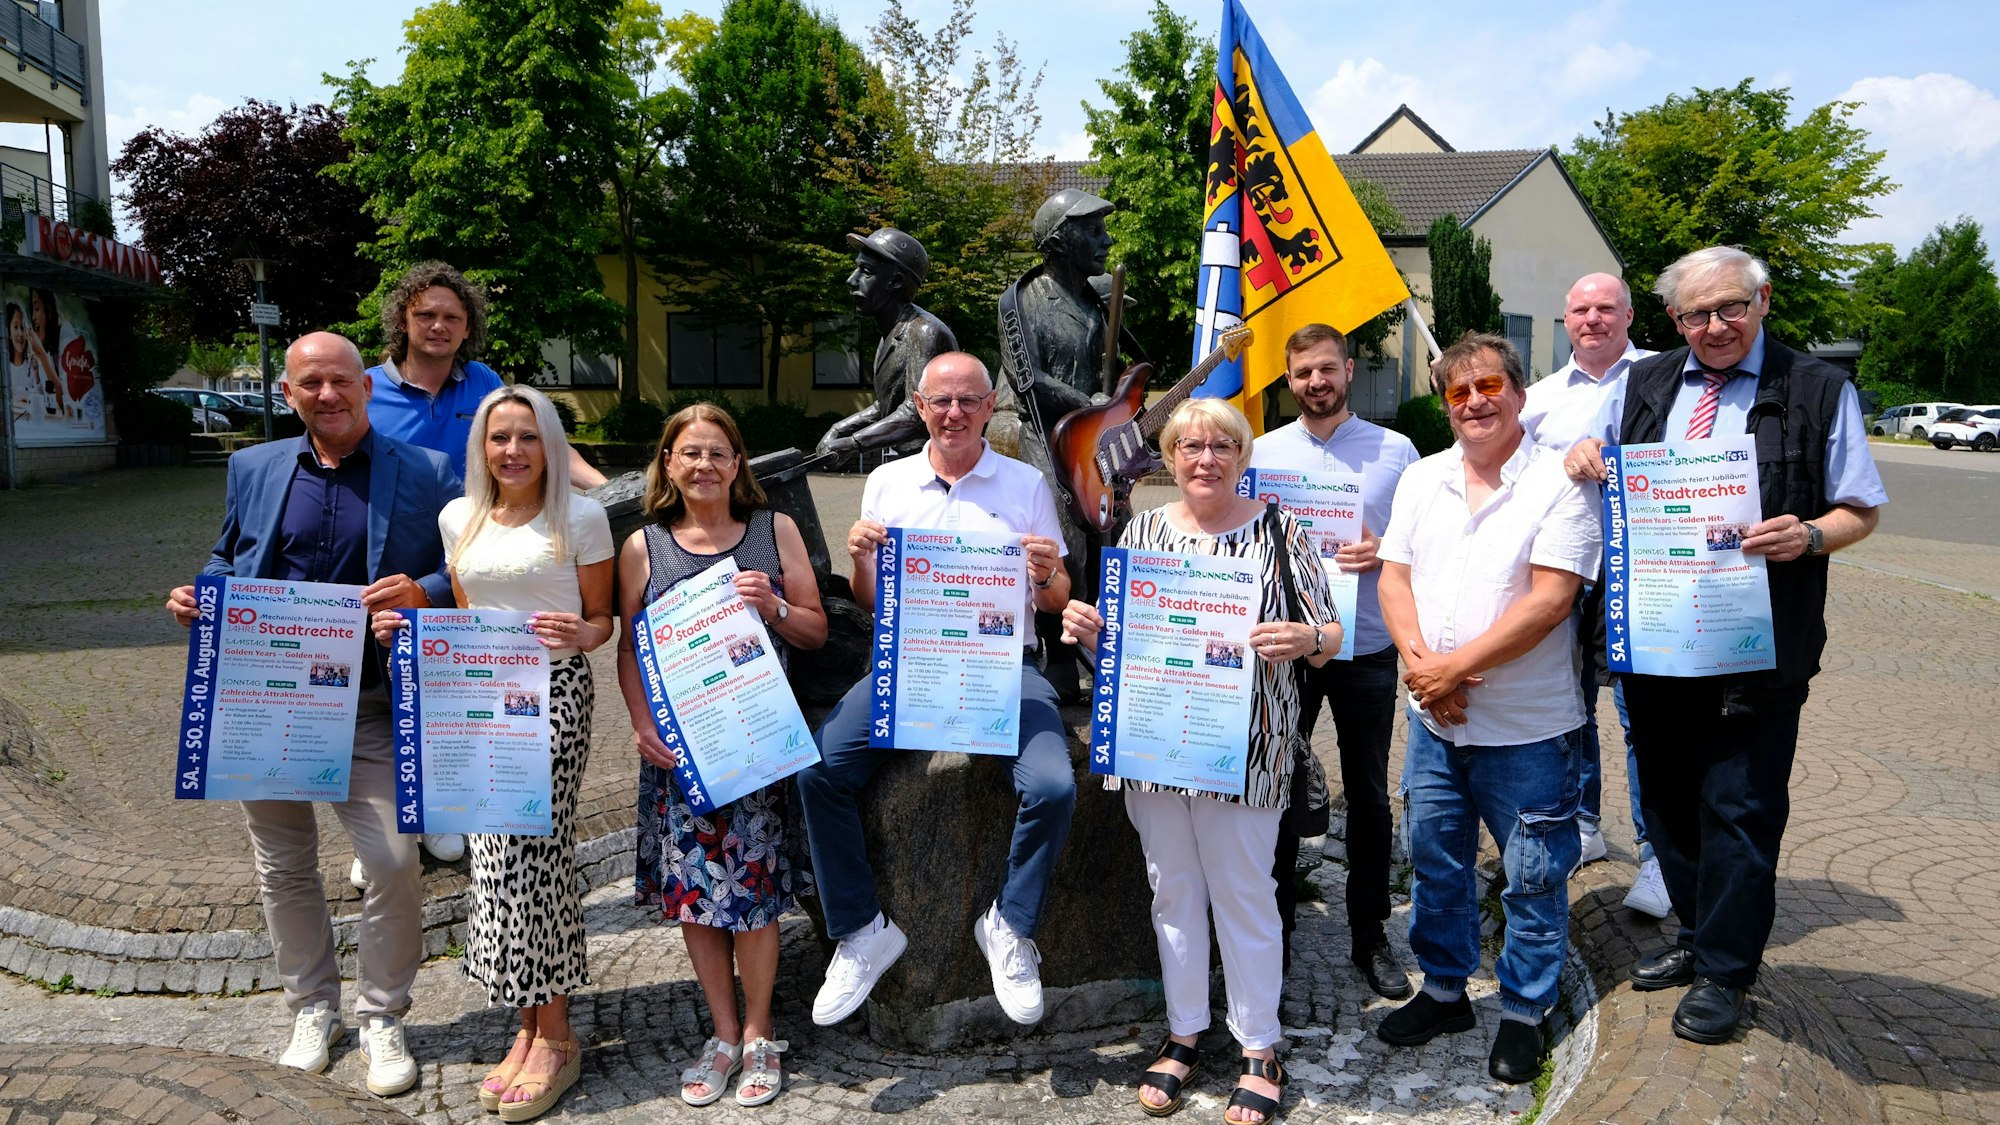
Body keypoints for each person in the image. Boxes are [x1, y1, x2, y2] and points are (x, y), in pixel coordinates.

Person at [1563, 246, 1886, 1044]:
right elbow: (1599, 456)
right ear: (1673, 320)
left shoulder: (1816, 388)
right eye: (1695, 314)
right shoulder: (1648, 381)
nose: (1714, 326)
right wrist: (1583, 455)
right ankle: (1695, 938)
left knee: (1739, 808)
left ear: (1763, 300)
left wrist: (1811, 533)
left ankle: (1726, 975)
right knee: (1669, 804)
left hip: (1758, 644)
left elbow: (1862, 507)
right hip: (1661, 636)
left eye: (1729, 308)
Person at [165, 332, 457, 1096]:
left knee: (394, 859)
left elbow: (464, 565)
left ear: (364, 385)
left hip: (368, 701)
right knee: (283, 864)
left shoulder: (426, 470)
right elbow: (231, 557)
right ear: (289, 393)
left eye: (339, 381)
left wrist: (423, 587)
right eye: (309, 384)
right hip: (266, 701)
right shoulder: (253, 467)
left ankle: (383, 1014)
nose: (326, 395)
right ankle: (312, 1007)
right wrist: (200, 593)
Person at [1061, 398, 1341, 1124]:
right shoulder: (1146, 528)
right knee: (1172, 891)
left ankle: (1258, 1045)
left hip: (1245, 749)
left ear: (1242, 455)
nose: (1206, 458)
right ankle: (1184, 1030)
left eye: (1221, 445)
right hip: (1156, 745)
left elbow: (1333, 632)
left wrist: (1303, 636)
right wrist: (1089, 624)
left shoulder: (1281, 528)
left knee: (1245, 894)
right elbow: (1123, 640)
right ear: (1170, 457)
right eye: (1190, 446)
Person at [797, 351, 1074, 1030]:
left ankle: (1008, 924)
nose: (953, 413)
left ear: (988, 408)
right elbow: (868, 599)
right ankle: (863, 928)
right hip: (911, 667)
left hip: (1002, 668)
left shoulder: (1025, 483)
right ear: (919, 406)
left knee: (1054, 785)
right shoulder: (888, 482)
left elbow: (1059, 596)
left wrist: (1043, 572)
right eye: (940, 400)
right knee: (817, 771)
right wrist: (862, 559)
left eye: (968, 400)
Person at [371, 385, 614, 1120]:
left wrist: (585, 633)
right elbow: (464, 609)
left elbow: (603, 618)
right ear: (482, 446)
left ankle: (558, 1035)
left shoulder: (581, 515)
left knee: (531, 855)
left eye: (528, 437)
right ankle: (528, 1024)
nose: (513, 451)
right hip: (481, 693)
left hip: (555, 693)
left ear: (550, 443)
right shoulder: (458, 516)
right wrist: (408, 631)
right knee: (493, 856)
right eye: (499, 437)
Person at [1374, 333, 1600, 1084]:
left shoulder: (1560, 483)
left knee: (1532, 875)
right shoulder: (1422, 477)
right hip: (1435, 721)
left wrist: (1454, 669)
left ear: (1519, 393)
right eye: (1459, 392)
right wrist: (1422, 666)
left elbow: (1550, 600)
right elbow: (1394, 578)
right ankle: (1444, 990)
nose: (1475, 402)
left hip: (1529, 729)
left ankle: (1524, 1012)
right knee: (1436, 863)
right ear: (1446, 404)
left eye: (1488, 386)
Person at [358, 261, 606, 879]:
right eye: (426, 315)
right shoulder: (368, 386)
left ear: (468, 326)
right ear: (402, 321)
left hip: (474, 549)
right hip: (404, 549)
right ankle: (401, 823)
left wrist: (606, 490)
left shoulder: (484, 382)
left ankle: (447, 812)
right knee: (396, 691)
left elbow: (540, 438)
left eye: (452, 316)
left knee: (458, 688)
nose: (439, 326)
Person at [615, 404, 828, 1107]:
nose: (704, 465)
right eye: (690, 452)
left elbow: (816, 632)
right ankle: (723, 1033)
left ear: (739, 464)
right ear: (668, 463)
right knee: (698, 902)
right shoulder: (644, 546)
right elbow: (628, 646)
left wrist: (772, 606)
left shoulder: (775, 531)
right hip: (682, 757)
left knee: (757, 897)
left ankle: (762, 1031)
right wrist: (642, 722)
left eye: (718, 452)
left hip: (757, 748)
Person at [1249, 323, 1418, 999]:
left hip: (1366, 643)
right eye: (1301, 373)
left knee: (1370, 797)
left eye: (1326, 369)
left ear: (1348, 369)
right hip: (1287, 647)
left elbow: (1423, 544)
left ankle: (1370, 933)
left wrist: (1385, 551)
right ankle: (1276, 928)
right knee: (1276, 786)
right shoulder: (1260, 452)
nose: (1315, 382)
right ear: (1287, 381)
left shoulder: (1397, 452)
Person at [1520, 272, 1665, 916]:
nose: (1593, 319)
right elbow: (1516, 476)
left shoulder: (1668, 378)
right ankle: (1582, 825)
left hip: (1643, 572)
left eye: (1606, 308)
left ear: (1629, 315)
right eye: (1581, 309)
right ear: (1565, 318)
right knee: (1567, 706)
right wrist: (1563, 460)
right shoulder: (1539, 399)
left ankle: (1657, 855)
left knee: (1646, 716)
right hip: (1565, 571)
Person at [814, 228, 958, 460]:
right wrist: (839, 428)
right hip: (911, 462)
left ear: (896, 281)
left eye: (866, 272)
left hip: (937, 466)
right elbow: (886, 404)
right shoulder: (892, 333)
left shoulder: (924, 332)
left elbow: (917, 411)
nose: (851, 280)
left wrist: (853, 443)